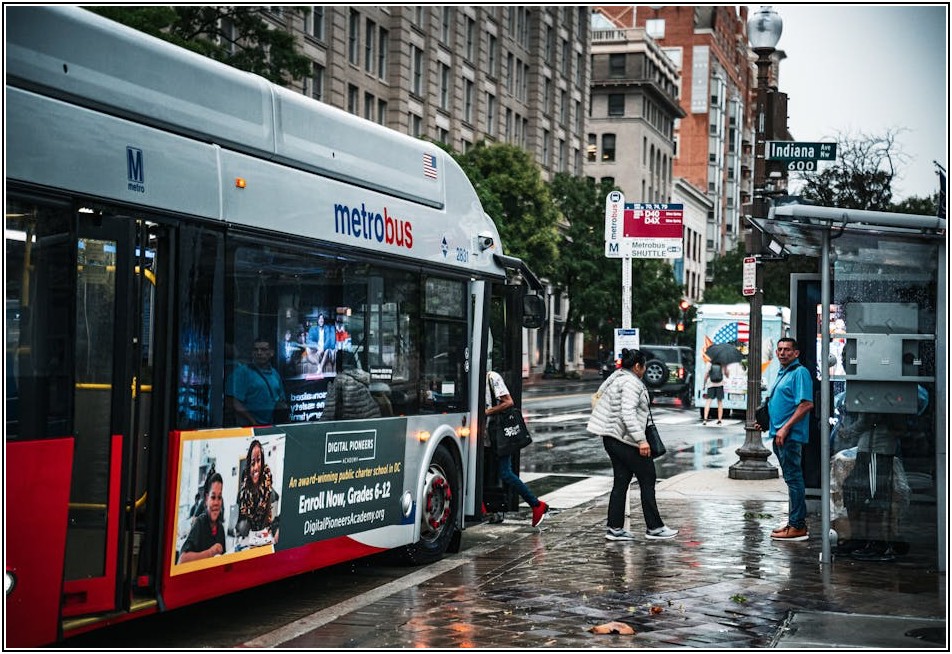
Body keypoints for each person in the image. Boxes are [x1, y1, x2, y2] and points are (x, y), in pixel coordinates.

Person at [587, 348, 678, 542]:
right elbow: (627, 414)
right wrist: (641, 440)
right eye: (643, 366)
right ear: (637, 366)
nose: (645, 370)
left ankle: (615, 528)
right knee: (648, 478)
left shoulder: (616, 378)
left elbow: (599, 398)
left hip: (612, 438)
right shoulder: (630, 384)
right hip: (625, 440)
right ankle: (654, 527)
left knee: (621, 481)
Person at [756, 337, 814, 542]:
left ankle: (798, 525)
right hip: (780, 435)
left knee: (794, 480)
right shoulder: (783, 373)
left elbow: (806, 404)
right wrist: (767, 423)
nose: (782, 353)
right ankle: (793, 522)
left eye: (787, 350)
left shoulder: (800, 373)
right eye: (780, 349)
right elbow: (783, 403)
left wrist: (785, 428)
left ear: (796, 353)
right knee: (791, 480)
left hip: (789, 437)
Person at [486, 369, 548, 528]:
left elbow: (508, 402)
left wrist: (486, 412)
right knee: (486, 474)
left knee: (505, 473)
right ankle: (490, 509)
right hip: (485, 436)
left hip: (498, 435)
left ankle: (536, 504)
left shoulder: (491, 377)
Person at [225, 337, 287, 426]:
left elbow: (281, 399)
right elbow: (231, 401)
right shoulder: (242, 372)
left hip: (271, 425)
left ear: (271, 353)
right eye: (256, 350)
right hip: (248, 427)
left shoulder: (274, 374)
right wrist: (252, 421)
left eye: (263, 350)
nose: (259, 353)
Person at [178, 472, 226, 563]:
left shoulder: (221, 529)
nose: (216, 502)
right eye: (213, 497)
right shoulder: (199, 524)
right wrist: (210, 552)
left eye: (219, 497)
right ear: (206, 499)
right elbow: (182, 560)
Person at [322, 351, 381, 420]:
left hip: (348, 427)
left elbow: (328, 414)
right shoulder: (365, 378)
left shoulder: (339, 381)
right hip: (370, 425)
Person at [236, 439, 276, 538]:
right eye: (253, 463)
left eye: (259, 461)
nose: (256, 467)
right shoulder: (242, 494)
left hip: (265, 535)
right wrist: (243, 528)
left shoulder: (268, 488)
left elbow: (269, 516)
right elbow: (240, 525)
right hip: (249, 538)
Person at [702, 361, 728, 425]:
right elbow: (726, 373)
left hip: (711, 385)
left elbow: (706, 375)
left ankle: (705, 420)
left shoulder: (709, 364)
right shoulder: (722, 363)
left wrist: (704, 384)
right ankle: (719, 420)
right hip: (720, 385)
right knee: (720, 402)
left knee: (708, 402)